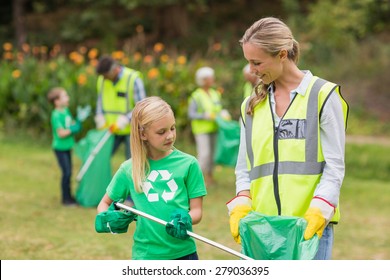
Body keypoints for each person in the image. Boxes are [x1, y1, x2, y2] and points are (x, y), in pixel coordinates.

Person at [227, 17, 349, 260]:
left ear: (282, 54)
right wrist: (242, 200)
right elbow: (244, 167)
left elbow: (335, 166)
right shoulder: (249, 106)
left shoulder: (323, 96)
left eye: (257, 62)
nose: (252, 71)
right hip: (261, 229)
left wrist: (320, 208)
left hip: (308, 228)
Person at [96, 96, 207, 260]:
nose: (169, 136)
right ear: (143, 134)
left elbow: (197, 210)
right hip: (146, 256)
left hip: (183, 253)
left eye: (172, 128)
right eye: (161, 132)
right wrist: (107, 218)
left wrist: (187, 219)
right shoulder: (129, 169)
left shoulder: (189, 164)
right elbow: (104, 203)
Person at [94, 55, 146, 159]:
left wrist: (126, 119)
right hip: (110, 129)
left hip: (131, 130)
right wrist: (99, 117)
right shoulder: (102, 80)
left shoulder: (133, 79)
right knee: (100, 157)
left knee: (132, 161)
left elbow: (142, 106)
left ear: (114, 69)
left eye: (106, 75)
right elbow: (100, 102)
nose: (104, 78)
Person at [47, 87, 91, 206]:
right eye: (65, 96)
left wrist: (78, 120)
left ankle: (69, 197)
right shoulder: (56, 115)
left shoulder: (66, 110)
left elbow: (71, 123)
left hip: (67, 147)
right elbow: (61, 133)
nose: (68, 98)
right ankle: (65, 199)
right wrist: (72, 129)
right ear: (57, 101)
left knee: (69, 172)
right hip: (60, 148)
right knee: (66, 173)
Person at [188, 66, 229, 185]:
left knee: (212, 155)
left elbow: (218, 108)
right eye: (210, 78)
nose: (212, 79)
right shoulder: (196, 96)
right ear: (203, 80)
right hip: (201, 130)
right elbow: (191, 114)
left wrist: (223, 113)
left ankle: (209, 177)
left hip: (214, 128)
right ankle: (196, 180)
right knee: (204, 154)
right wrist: (204, 116)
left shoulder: (215, 93)